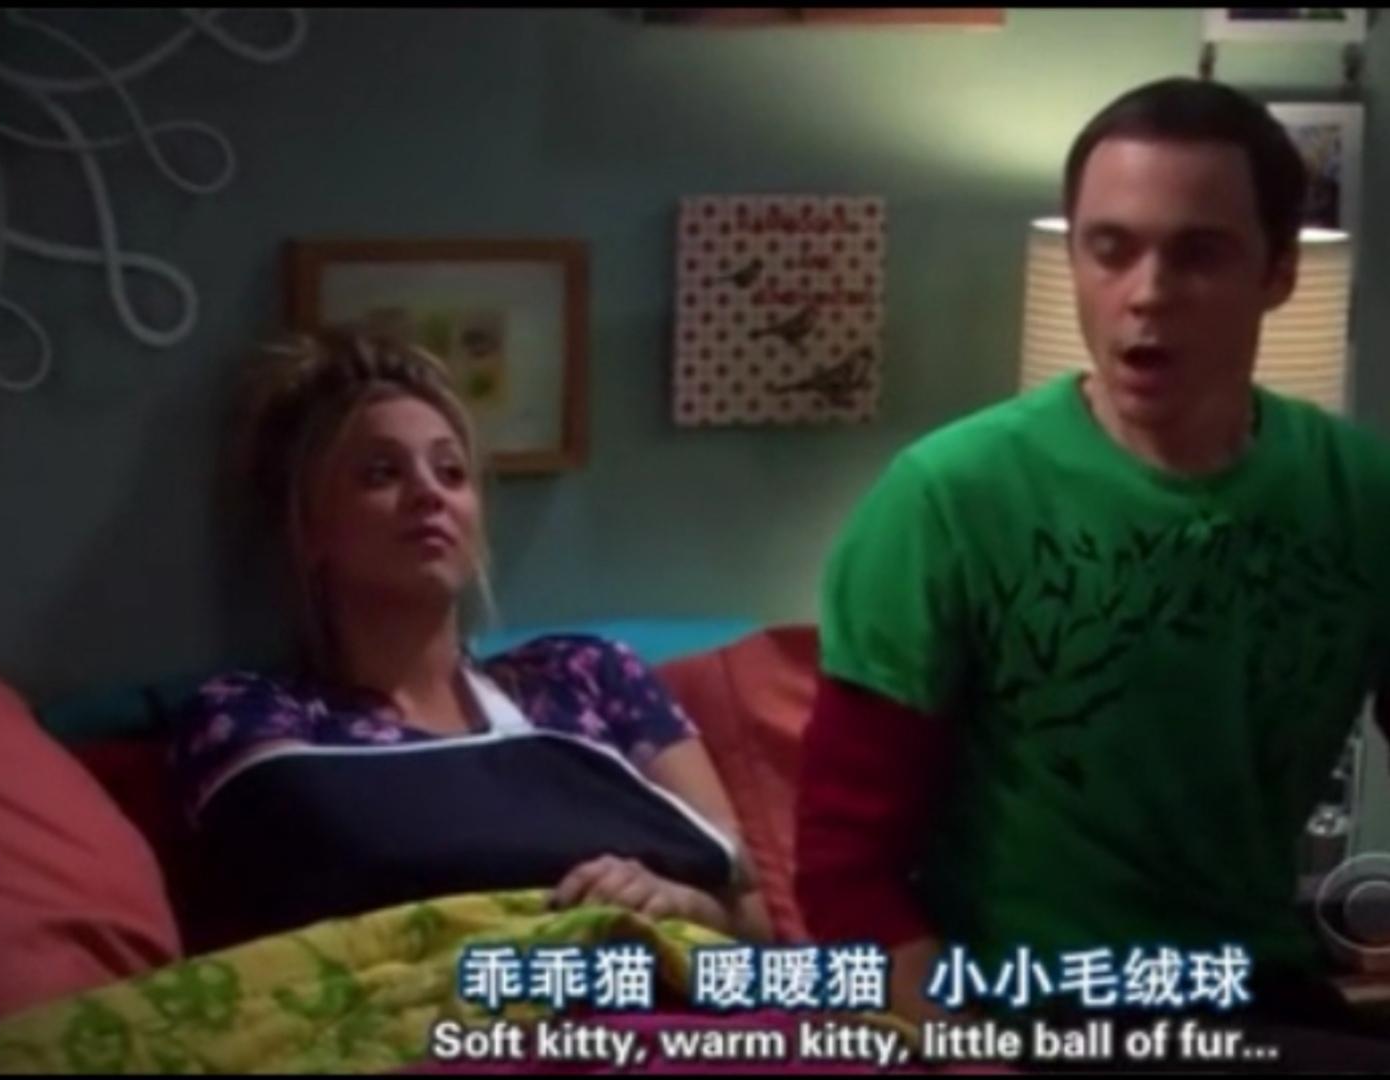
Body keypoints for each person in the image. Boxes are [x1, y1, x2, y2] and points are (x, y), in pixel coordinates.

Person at [795, 75, 1390, 1048]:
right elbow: (842, 870)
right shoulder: (946, 498)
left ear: (1278, 272)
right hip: (1024, 1010)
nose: (1145, 294)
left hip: (1258, 996)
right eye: (1110, 249)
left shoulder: (1362, 494)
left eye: (1198, 254)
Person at [171, 327, 769, 942]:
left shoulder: (589, 676)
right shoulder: (251, 716)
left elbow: (750, 913)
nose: (429, 493)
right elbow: (328, 878)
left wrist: (678, 900)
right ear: (309, 529)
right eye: (381, 473)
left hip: (651, 986)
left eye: (451, 472)